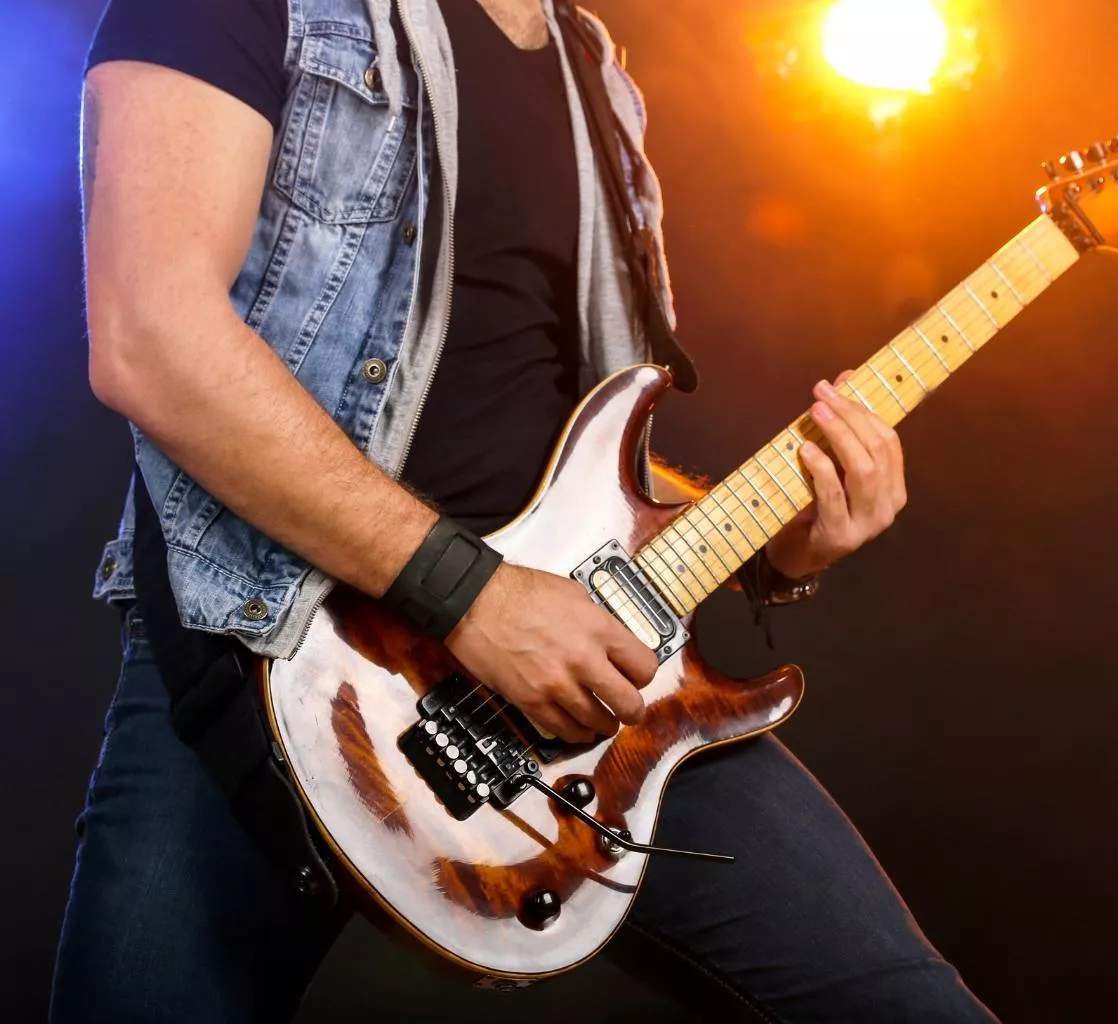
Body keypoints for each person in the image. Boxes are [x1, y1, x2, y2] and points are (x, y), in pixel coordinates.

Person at [51, 0, 999, 1020]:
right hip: (272, 655)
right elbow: (152, 335)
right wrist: (473, 596)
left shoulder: (596, 73)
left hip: (576, 700)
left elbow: (567, 451)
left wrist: (778, 544)